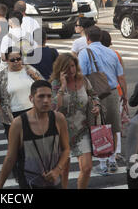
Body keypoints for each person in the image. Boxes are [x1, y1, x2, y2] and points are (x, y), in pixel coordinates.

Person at [0, 80, 70, 189]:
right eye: (41, 96)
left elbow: (66, 149)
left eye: (49, 96)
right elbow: (11, 158)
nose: (46, 100)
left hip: (54, 181)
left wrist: (57, 170)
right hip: (29, 182)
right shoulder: (18, 123)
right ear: (31, 98)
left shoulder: (58, 119)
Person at [78, 26, 128, 175]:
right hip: (112, 93)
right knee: (113, 127)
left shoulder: (84, 53)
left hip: (94, 95)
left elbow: (82, 76)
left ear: (87, 38)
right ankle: (112, 160)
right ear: (100, 37)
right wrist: (124, 95)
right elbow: (120, 76)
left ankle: (102, 163)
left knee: (98, 127)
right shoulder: (112, 53)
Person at [50, 53, 102, 189]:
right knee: (64, 170)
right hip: (62, 132)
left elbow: (94, 95)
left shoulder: (83, 80)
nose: (71, 70)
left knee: (87, 167)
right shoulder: (55, 84)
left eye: (73, 66)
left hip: (81, 130)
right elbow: (55, 106)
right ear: (60, 69)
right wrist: (62, 86)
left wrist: (96, 105)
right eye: (67, 68)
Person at [0, 47, 44, 140]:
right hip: (12, 115)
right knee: (16, 145)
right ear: (7, 61)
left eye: (18, 59)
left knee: (34, 143)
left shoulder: (29, 69)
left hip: (33, 111)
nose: (16, 62)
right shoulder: (1, 75)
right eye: (13, 60)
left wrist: (36, 77)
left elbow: (45, 85)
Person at [100, 30, 126, 162]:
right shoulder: (115, 54)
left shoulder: (94, 54)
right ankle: (116, 152)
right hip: (117, 93)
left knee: (103, 125)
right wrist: (125, 96)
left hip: (100, 94)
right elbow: (121, 77)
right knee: (116, 125)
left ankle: (105, 155)